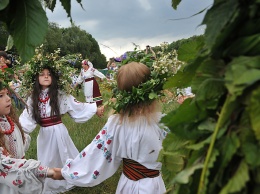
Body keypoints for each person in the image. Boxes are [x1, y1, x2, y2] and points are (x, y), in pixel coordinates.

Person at [59, 62, 167, 194]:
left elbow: (95, 154)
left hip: (129, 186)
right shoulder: (165, 121)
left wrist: (65, 172)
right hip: (154, 186)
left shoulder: (117, 123)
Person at [19, 67, 104, 194]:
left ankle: (71, 178)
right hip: (45, 134)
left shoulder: (59, 94)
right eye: (42, 74)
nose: (46, 76)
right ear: (36, 78)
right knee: (47, 157)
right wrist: (18, 129)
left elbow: (76, 105)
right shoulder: (33, 98)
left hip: (59, 130)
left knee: (64, 153)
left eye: (49, 74)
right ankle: (52, 183)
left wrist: (94, 109)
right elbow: (27, 117)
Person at [0, 80, 62, 194]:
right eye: (1, 96)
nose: (8, 98)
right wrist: (46, 171)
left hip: (20, 179)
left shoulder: (9, 120)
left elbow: (21, 144)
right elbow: (3, 163)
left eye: (7, 94)